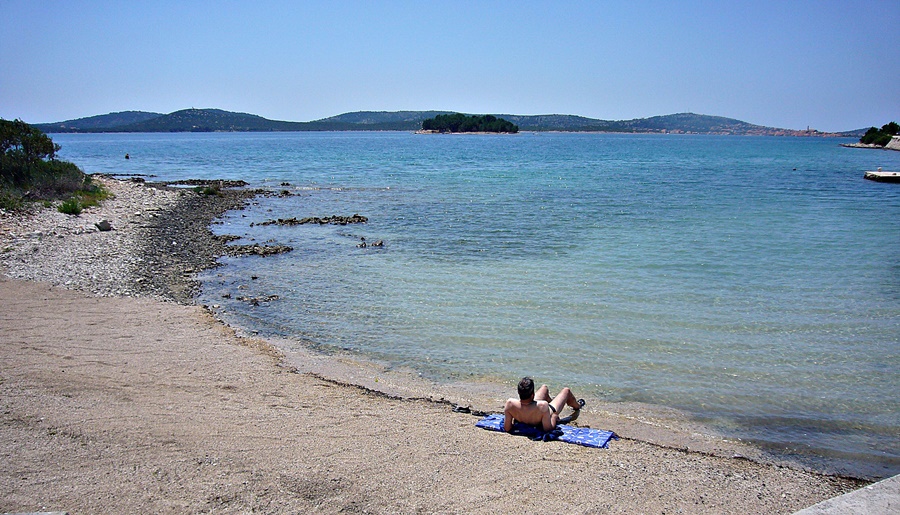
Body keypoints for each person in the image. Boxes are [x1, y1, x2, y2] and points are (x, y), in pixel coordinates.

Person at [503, 377, 585, 432]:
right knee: (566, 391)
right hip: (543, 411)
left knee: (544, 388)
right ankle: (577, 406)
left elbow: (507, 428)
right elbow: (548, 428)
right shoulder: (543, 405)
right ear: (532, 395)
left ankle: (553, 400)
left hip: (528, 409)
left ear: (519, 392)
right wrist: (554, 416)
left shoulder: (510, 404)